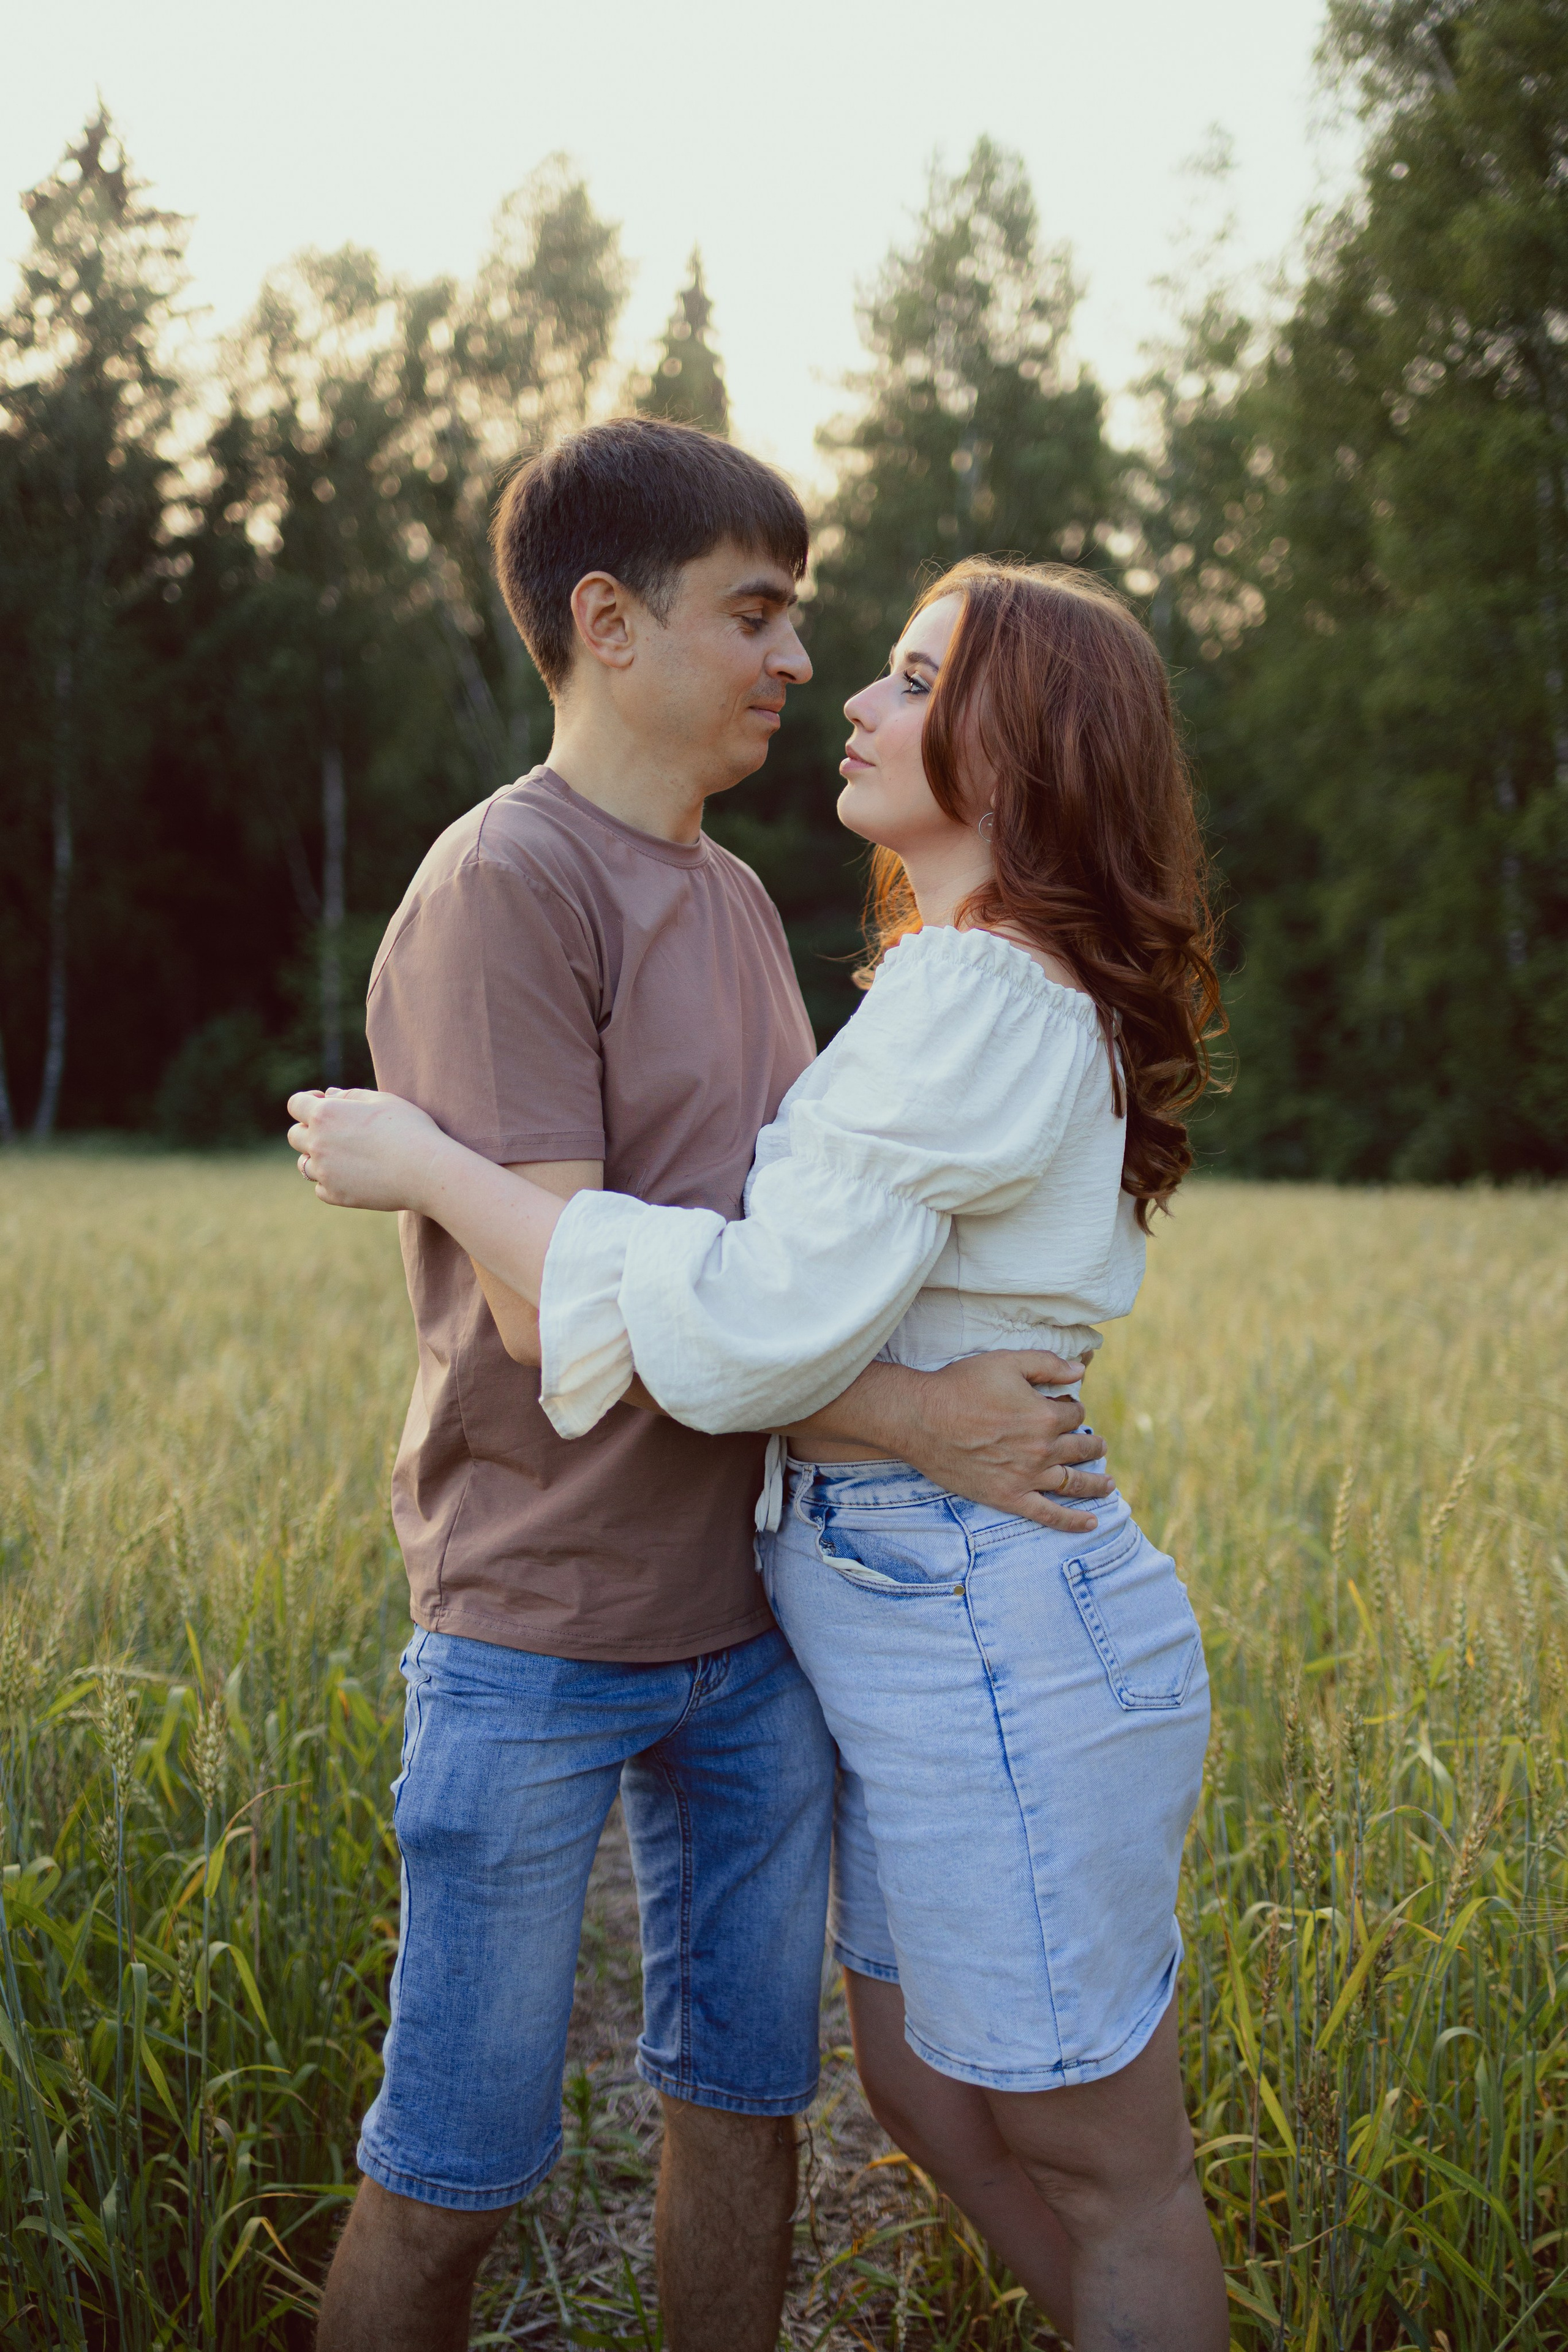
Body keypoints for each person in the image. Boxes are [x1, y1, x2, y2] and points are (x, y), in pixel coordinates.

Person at [291, 554, 1232, 2351]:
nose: (843, 694)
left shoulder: (978, 1000)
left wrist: (426, 1170)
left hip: (990, 1630)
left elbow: (745, 1318)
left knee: (1106, 2166)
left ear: (1017, 744)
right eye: (810, 641)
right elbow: (782, 1310)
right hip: (908, 1613)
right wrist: (908, 1414)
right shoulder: (941, 975)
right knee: (927, 2097)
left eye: (902, 673)